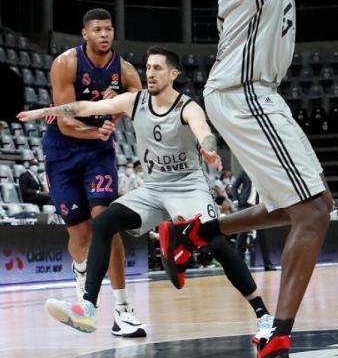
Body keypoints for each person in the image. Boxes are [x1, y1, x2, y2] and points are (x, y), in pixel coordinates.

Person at [159, 0, 338, 354]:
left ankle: (194, 233)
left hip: (246, 93)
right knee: (315, 212)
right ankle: (277, 333)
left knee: (290, 208)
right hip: (245, 93)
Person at [18, 46, 274, 343]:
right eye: (148, 68)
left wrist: (208, 148)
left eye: (158, 68)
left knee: (215, 241)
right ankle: (87, 308)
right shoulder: (133, 101)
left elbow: (204, 131)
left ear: (174, 74)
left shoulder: (187, 106)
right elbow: (84, 108)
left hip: (187, 188)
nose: (150, 73)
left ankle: (264, 316)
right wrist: (45, 111)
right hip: (152, 190)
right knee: (103, 223)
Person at [40, 7, 145, 337]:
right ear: (84, 33)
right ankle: (81, 267)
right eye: (97, 29)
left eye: (108, 29)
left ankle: (123, 310)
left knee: (106, 223)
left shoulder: (125, 71)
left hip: (99, 153)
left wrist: (118, 109)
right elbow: (64, 120)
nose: (104, 34)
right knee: (80, 235)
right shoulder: (66, 64)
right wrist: (95, 129)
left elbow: (141, 105)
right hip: (62, 149)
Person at [234, 168, 277, 271]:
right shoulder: (245, 170)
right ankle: (238, 265)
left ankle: (268, 264)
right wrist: (236, 199)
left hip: (259, 207)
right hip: (245, 205)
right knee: (242, 236)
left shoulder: (263, 173)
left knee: (263, 237)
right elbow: (234, 185)